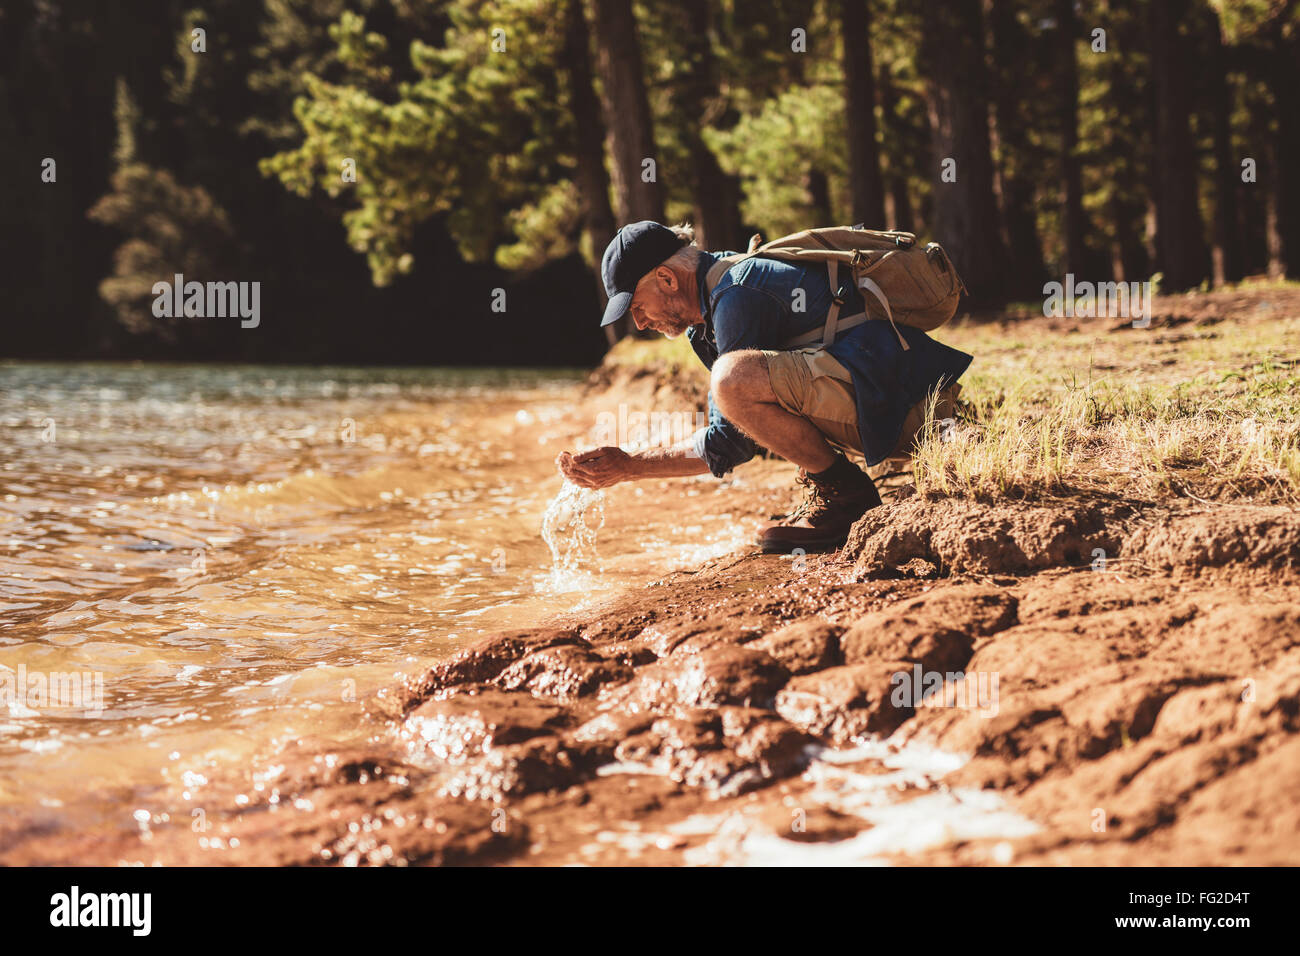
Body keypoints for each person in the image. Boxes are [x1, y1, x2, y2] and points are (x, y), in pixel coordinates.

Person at [557, 220, 972, 553]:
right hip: (895, 401)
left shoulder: (736, 294)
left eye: (636, 306)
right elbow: (734, 434)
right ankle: (833, 486)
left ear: (667, 279)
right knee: (733, 381)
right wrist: (629, 465)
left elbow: (730, 442)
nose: (640, 322)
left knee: (732, 379)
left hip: (917, 415)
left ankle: (846, 496)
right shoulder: (712, 306)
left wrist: (630, 467)